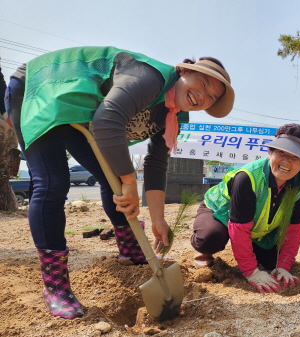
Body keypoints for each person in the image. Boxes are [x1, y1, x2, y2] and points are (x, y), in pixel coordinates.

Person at [4, 46, 234, 319]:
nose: (203, 96)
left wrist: (159, 219)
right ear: (183, 71)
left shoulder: (173, 114)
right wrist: (128, 181)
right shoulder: (151, 78)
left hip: (79, 108)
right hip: (41, 86)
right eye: (203, 83)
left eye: (211, 97)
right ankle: (55, 286)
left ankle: (130, 249)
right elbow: (108, 118)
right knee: (52, 182)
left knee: (109, 177)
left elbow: (156, 163)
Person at [190, 123, 300, 293]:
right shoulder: (248, 178)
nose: (286, 161)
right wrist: (251, 272)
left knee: (272, 263)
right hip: (220, 213)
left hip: (257, 226)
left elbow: (293, 228)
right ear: (270, 153)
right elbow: (239, 227)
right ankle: (202, 250)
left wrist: (283, 266)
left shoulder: (299, 184)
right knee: (210, 238)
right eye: (281, 153)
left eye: (295, 157)